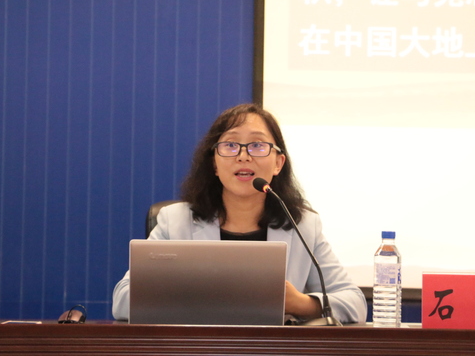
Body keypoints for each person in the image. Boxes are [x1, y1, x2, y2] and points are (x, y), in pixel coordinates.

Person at [111, 103, 367, 324]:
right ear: (214, 163)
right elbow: (122, 300)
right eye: (231, 145)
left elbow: (354, 303)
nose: (243, 156)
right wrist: (197, 296)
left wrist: (298, 303)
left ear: (278, 163)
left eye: (257, 145)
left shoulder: (302, 225)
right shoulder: (175, 221)